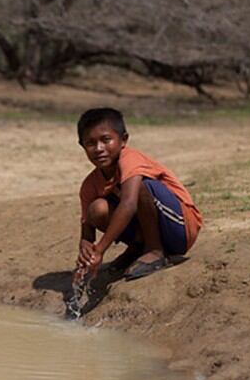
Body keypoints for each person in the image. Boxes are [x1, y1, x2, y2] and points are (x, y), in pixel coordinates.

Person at [75, 107, 202, 282]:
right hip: (155, 229)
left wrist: (101, 249)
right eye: (90, 143)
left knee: (140, 187)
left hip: (180, 229)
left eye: (106, 140)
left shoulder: (130, 159)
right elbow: (87, 227)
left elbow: (128, 204)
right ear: (82, 146)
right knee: (97, 209)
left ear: (123, 140)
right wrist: (86, 252)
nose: (99, 148)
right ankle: (138, 248)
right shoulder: (89, 185)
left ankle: (154, 250)